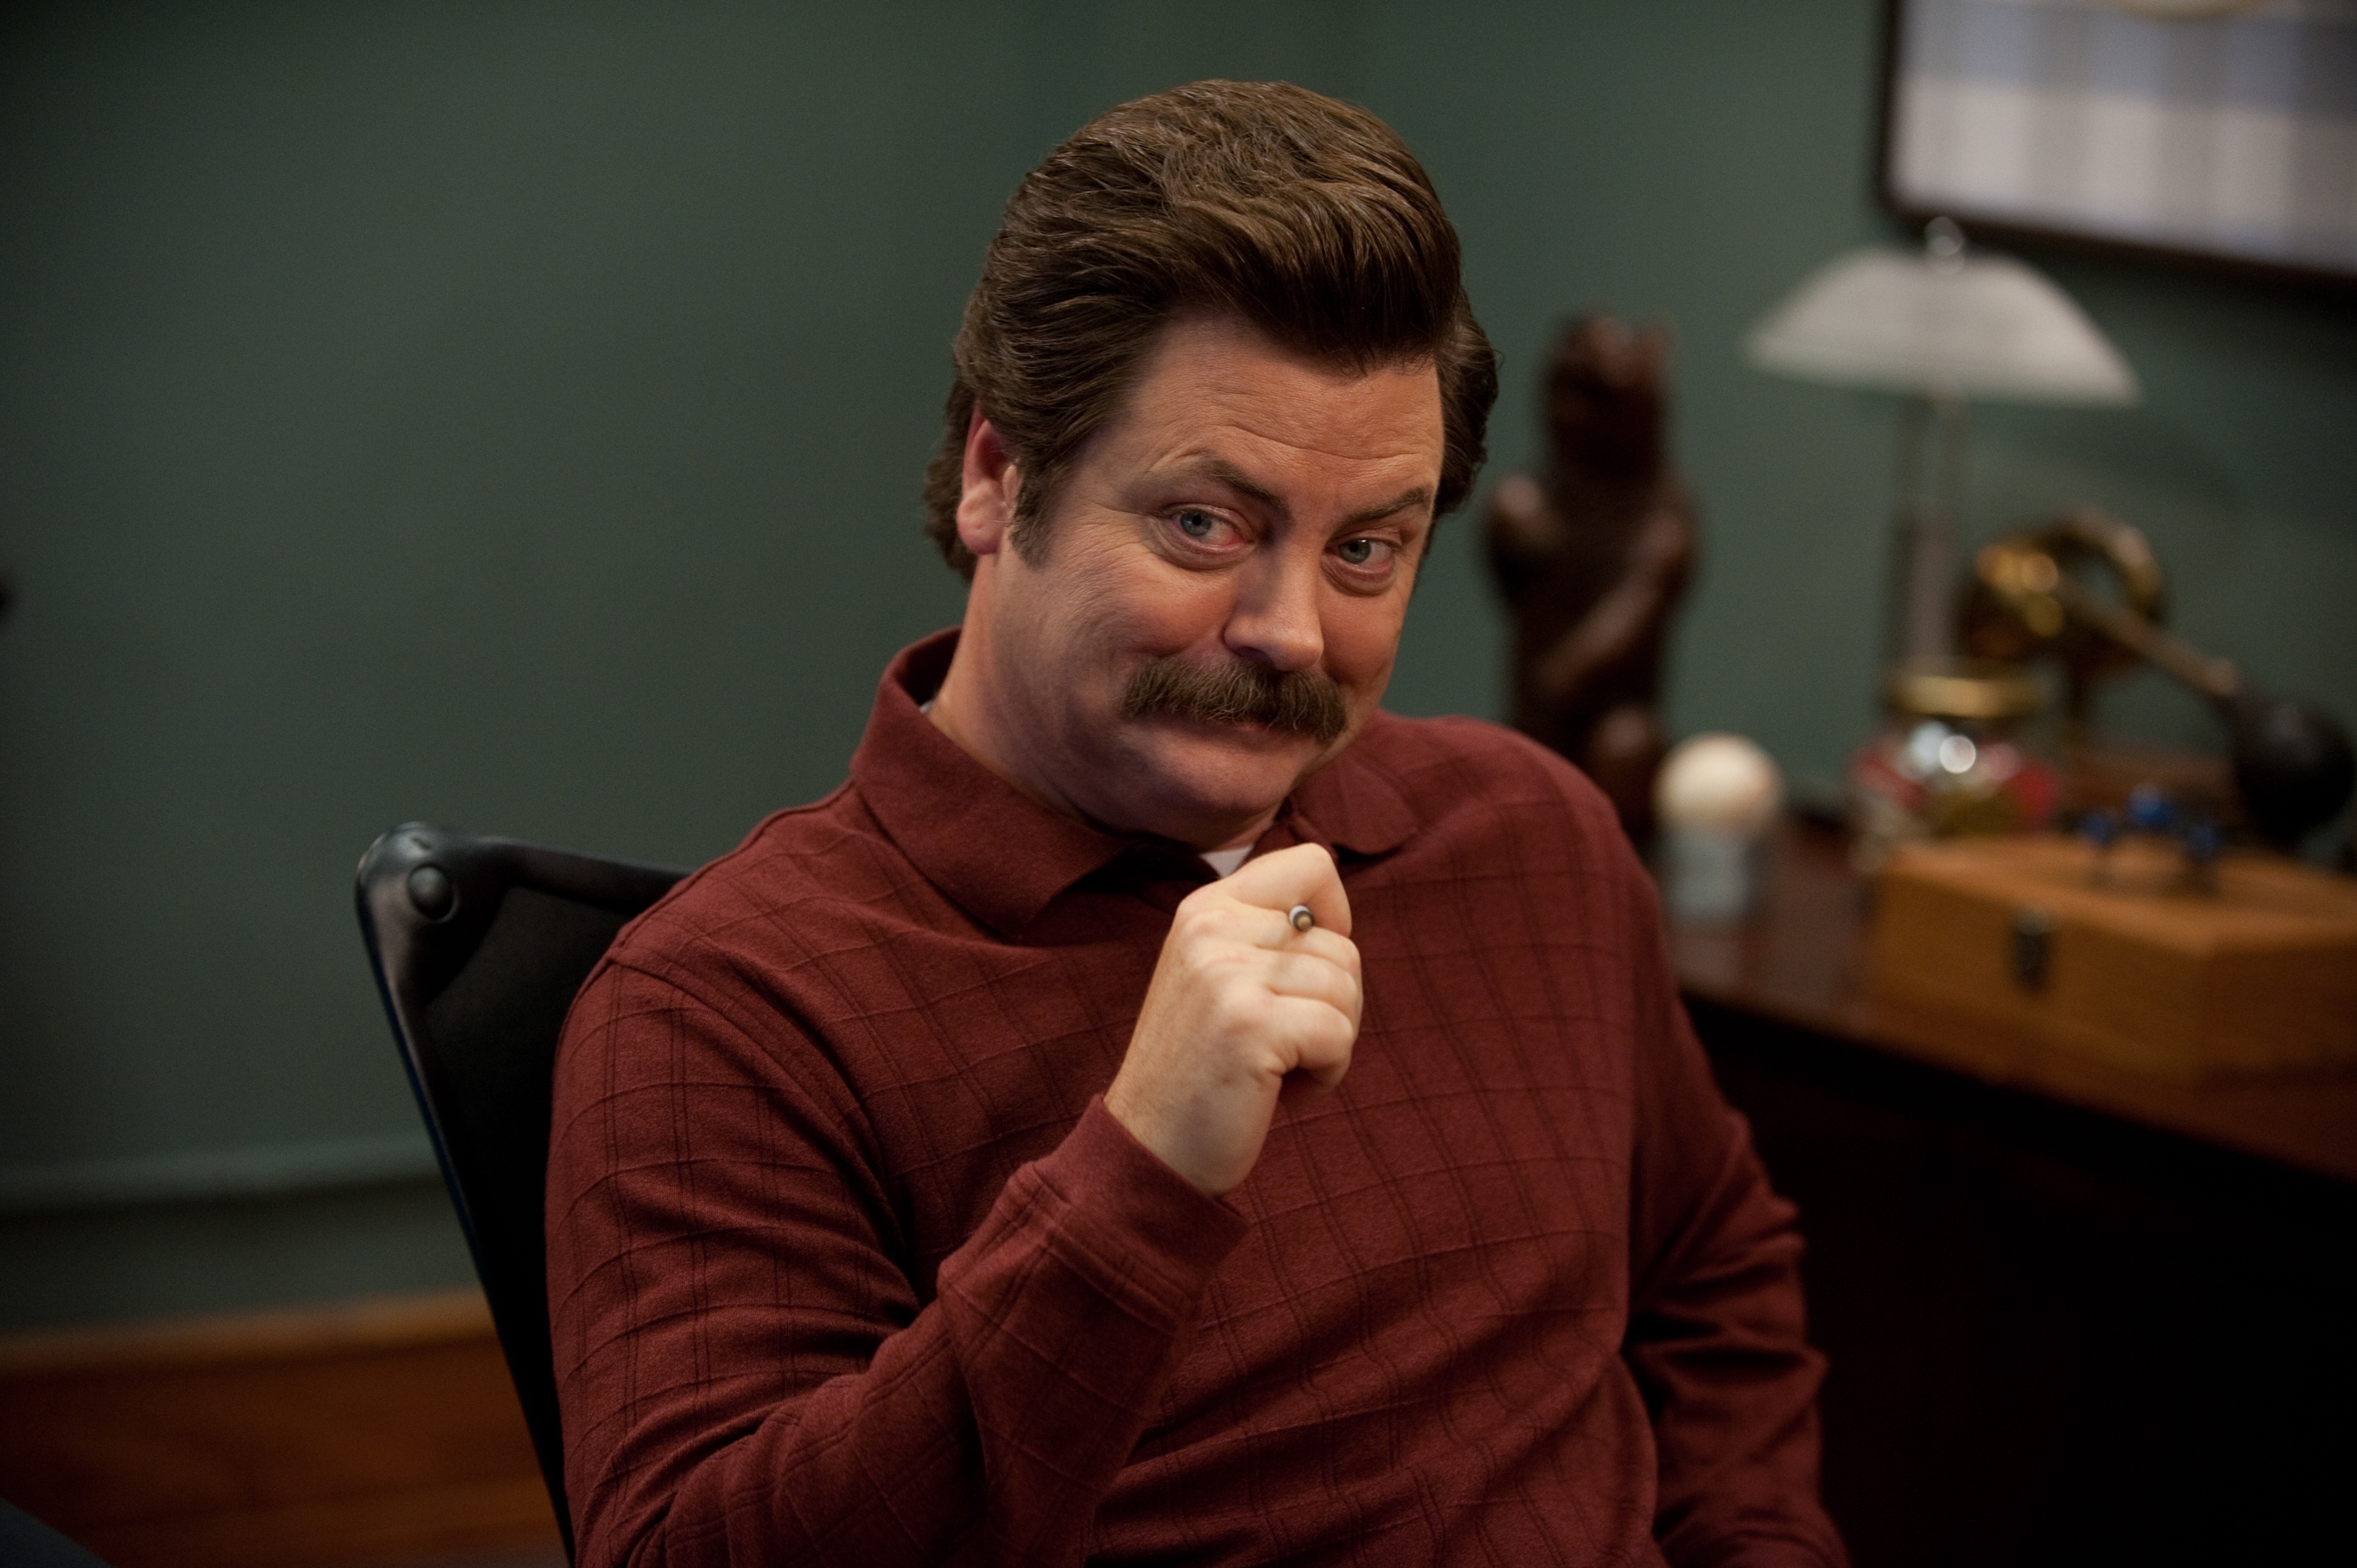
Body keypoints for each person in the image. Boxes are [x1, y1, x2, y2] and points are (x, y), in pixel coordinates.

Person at [545, 80, 1846, 1568]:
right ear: (996, 476)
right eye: (1205, 526)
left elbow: (1712, 1281)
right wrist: (1140, 1174)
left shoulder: (1534, 839)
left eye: (1367, 549)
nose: (1291, 631)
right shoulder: (723, 1007)